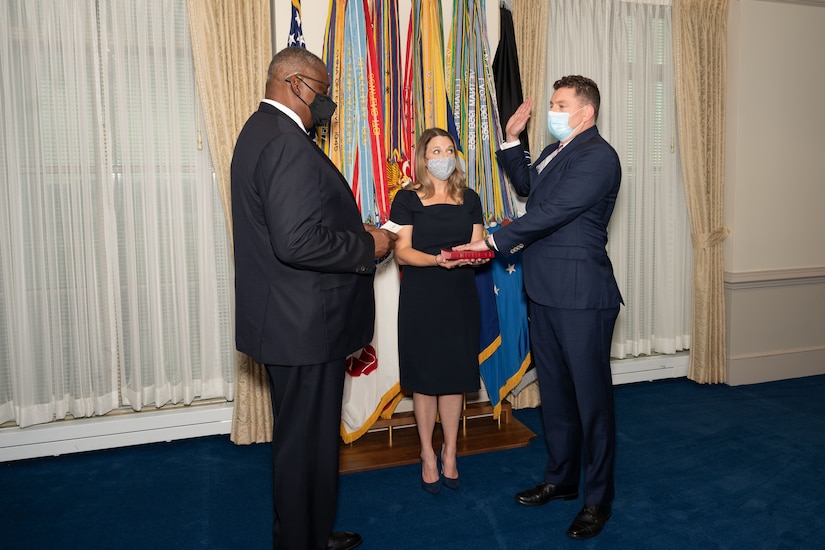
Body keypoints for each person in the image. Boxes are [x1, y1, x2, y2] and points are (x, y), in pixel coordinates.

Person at [231, 46, 396, 550]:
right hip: (304, 325)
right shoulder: (285, 142)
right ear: (295, 84)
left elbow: (293, 223)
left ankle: (308, 533)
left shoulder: (258, 131)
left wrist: (350, 226)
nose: (325, 103)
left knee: (305, 443)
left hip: (287, 319)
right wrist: (369, 243)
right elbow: (296, 241)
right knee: (305, 447)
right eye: (322, 92)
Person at [455, 75, 622, 539]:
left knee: (592, 402)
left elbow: (552, 212)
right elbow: (530, 184)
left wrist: (492, 240)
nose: (553, 110)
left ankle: (597, 499)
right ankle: (562, 479)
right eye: (552, 103)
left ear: (585, 111)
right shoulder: (556, 151)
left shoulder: (598, 157)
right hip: (545, 291)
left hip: (583, 296)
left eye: (560, 104)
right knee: (557, 397)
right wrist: (511, 140)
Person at [389, 128, 487, 495]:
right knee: (426, 381)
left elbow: (477, 246)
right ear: (423, 158)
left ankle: (451, 453)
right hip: (422, 295)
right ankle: (427, 453)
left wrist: (471, 254)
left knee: (452, 378)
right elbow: (402, 251)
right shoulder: (407, 199)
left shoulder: (470, 197)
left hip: (460, 294)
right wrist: (437, 260)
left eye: (449, 149)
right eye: (436, 150)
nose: (444, 156)